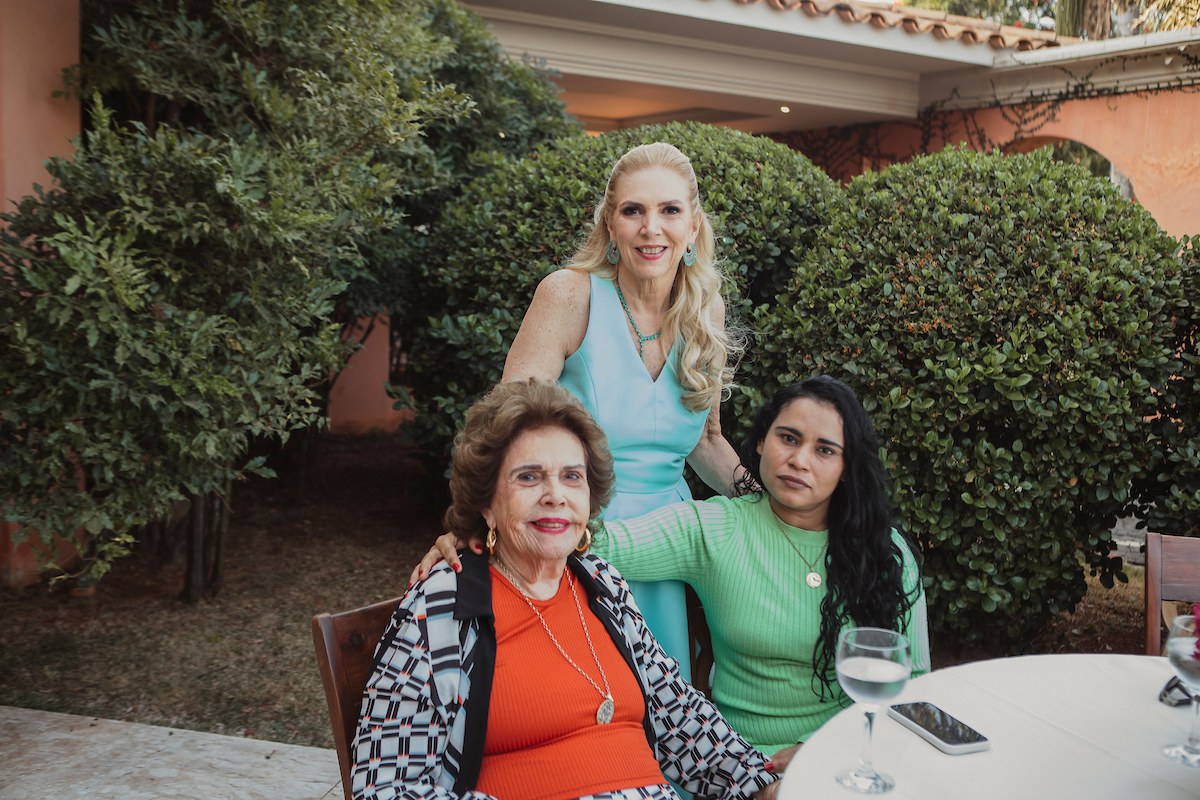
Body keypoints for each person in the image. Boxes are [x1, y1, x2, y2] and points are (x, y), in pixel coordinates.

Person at [413, 376, 930, 759]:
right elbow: (589, 539)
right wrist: (480, 530)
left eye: (825, 450)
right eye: (788, 438)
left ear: (846, 468)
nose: (799, 460)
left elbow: (917, 689)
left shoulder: (885, 554)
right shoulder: (714, 528)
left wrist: (825, 753)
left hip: (859, 754)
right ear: (760, 442)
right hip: (742, 761)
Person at [354, 380, 779, 800]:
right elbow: (387, 787)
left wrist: (762, 781)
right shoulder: (445, 605)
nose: (555, 495)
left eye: (572, 477)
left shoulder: (602, 584)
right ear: (487, 503)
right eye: (529, 477)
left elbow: (678, 714)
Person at [437, 142, 747, 681]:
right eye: (634, 211)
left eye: (670, 211)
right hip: (573, 535)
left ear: (693, 227)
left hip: (670, 548)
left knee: (664, 715)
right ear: (610, 224)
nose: (652, 228)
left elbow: (706, 442)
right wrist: (470, 525)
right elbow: (500, 427)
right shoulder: (569, 295)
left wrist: (774, 503)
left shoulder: (705, 310)